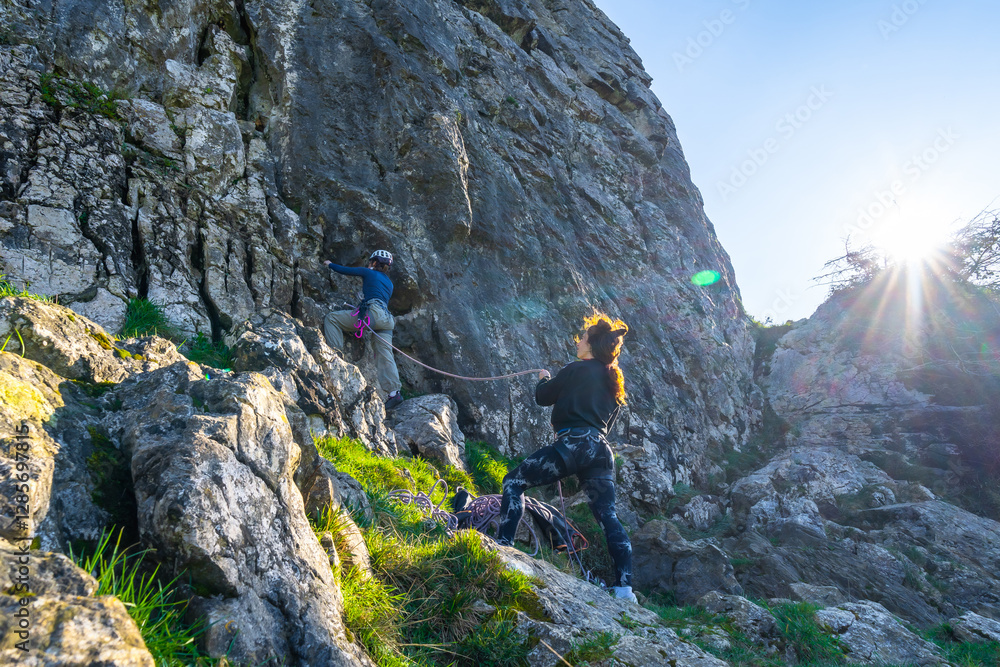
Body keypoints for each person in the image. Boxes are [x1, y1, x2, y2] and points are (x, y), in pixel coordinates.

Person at [495, 313, 637, 603]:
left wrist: (544, 378)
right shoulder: (613, 381)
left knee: (514, 481)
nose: (578, 340)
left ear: (591, 344)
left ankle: (503, 548)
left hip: (572, 444)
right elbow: (606, 425)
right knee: (607, 515)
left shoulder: (576, 369)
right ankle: (624, 588)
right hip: (599, 449)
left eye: (583, 337)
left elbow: (544, 397)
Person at [323, 250, 404, 410]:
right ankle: (394, 393)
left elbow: (346, 270)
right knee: (385, 353)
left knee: (331, 318)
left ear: (374, 262)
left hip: (373, 313)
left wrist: (329, 264)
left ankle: (335, 359)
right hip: (387, 320)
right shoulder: (389, 283)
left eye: (370, 262)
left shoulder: (368, 272)